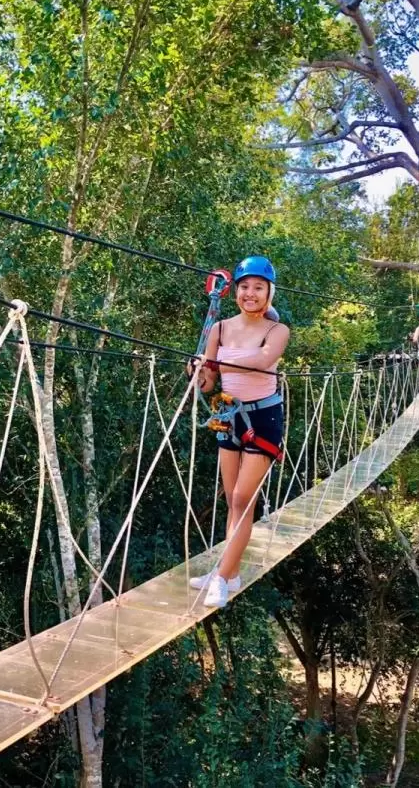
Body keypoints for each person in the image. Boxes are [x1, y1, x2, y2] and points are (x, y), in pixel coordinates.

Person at [190, 256, 290, 609]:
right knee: (230, 496)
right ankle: (229, 573)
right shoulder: (219, 329)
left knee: (242, 500)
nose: (250, 293)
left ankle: (221, 578)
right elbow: (208, 384)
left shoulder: (276, 331)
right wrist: (201, 372)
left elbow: (264, 361)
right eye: (245, 287)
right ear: (236, 291)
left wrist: (215, 361)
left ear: (268, 293)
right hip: (228, 415)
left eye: (258, 288)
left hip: (262, 419)